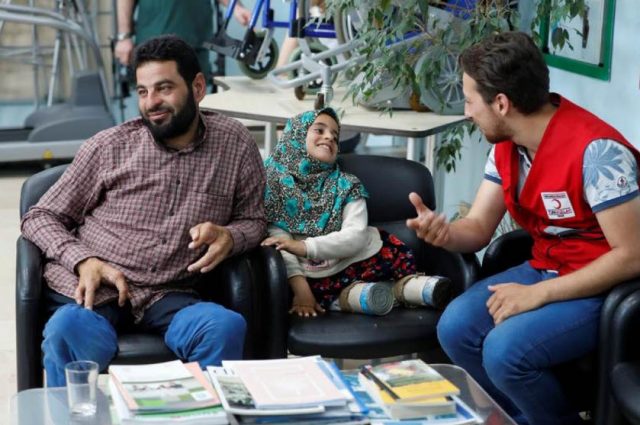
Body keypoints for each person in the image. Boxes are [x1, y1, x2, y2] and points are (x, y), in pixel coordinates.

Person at [406, 31, 640, 425]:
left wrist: (540, 294)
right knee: (456, 327)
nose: (467, 112)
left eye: (469, 101)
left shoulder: (597, 153)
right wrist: (446, 234)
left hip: (606, 284)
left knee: (504, 351)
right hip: (549, 266)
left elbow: (632, 255)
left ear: (501, 103)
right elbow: (479, 227)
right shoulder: (508, 147)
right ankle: (522, 418)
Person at [21, 35, 266, 387]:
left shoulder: (235, 143)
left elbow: (255, 219)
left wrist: (231, 236)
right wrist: (83, 260)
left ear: (198, 87)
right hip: (97, 292)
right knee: (65, 330)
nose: (152, 103)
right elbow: (39, 216)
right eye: (142, 91)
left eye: (164, 88)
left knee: (224, 327)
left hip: (172, 294)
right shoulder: (109, 147)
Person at [261, 107, 449, 317]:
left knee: (392, 262)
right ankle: (379, 296)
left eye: (335, 135)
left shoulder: (347, 184)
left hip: (363, 258)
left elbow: (356, 236)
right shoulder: (273, 182)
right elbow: (279, 244)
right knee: (341, 295)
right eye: (319, 130)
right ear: (296, 134)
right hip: (310, 278)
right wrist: (302, 291)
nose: (329, 137)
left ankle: (416, 288)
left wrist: (303, 246)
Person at [114, 0, 251, 81]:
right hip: (154, 43)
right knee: (156, 104)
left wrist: (236, 7)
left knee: (195, 108)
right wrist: (123, 37)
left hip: (195, 43)